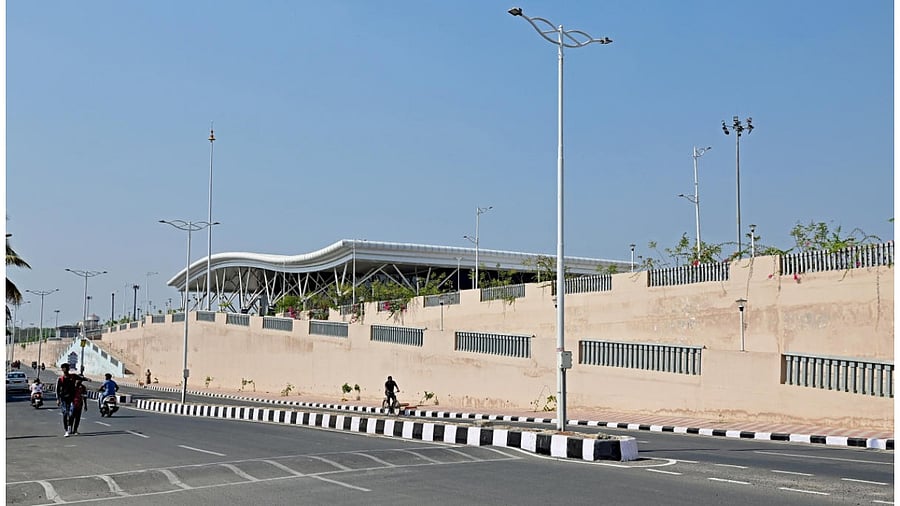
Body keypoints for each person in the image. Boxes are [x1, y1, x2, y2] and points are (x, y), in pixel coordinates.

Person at [56, 363, 82, 437]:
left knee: (71, 414)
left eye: (66, 368)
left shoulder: (73, 376)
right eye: (64, 368)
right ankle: (66, 430)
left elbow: (80, 378)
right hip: (64, 399)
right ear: (62, 369)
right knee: (65, 414)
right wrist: (58, 399)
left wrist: (87, 379)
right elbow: (57, 390)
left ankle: (70, 426)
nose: (65, 369)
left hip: (72, 398)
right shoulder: (60, 379)